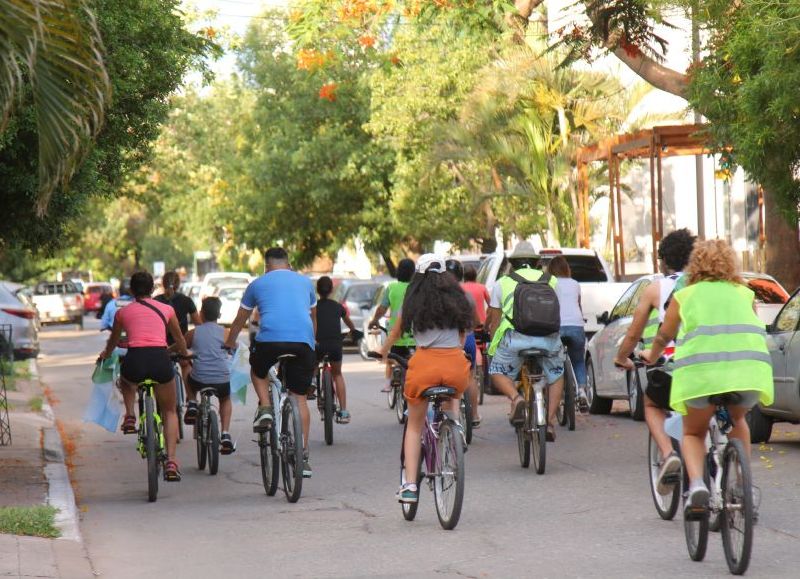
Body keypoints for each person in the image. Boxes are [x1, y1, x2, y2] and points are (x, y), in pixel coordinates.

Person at [641, 240, 773, 511]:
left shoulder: (686, 295)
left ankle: (698, 486)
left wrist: (651, 356)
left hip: (701, 376)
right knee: (737, 419)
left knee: (692, 432)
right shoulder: (744, 292)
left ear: (695, 265)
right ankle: (740, 485)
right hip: (747, 373)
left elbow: (665, 334)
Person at [381, 254, 473, 503]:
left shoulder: (413, 300)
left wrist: (383, 351)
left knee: (414, 425)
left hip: (424, 367)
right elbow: (463, 336)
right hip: (455, 366)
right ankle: (455, 429)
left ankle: (410, 486)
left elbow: (396, 332)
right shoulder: (459, 299)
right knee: (452, 393)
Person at [614, 228, 695, 493]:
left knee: (652, 404)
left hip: (669, 364)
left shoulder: (656, 288)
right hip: (706, 360)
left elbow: (634, 332)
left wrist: (621, 357)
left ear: (663, 260)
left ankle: (668, 452)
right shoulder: (702, 283)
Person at [225, 247, 317, 478]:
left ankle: (265, 406)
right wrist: (310, 341)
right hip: (303, 343)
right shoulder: (306, 282)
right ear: (289, 264)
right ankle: (303, 456)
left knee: (258, 372)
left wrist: (229, 343)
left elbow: (239, 319)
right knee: (301, 399)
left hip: (270, 342)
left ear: (266, 266)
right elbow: (312, 317)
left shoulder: (257, 284)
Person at [99, 271, 189, 482]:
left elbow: (113, 341)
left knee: (126, 381)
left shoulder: (123, 313)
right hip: (160, 359)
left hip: (136, 360)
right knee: (169, 410)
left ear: (131, 290)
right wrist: (184, 354)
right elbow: (180, 339)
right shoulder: (167, 309)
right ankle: (172, 461)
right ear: (152, 289)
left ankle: (130, 415)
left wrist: (105, 354)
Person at [485, 241, 564, 442]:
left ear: (513, 263)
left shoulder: (502, 283)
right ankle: (550, 420)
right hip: (548, 340)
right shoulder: (552, 280)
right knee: (557, 375)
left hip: (515, 340)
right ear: (536, 263)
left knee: (497, 372)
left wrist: (493, 346)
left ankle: (516, 398)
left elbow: (494, 321)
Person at [183, 297, 235, 454]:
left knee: (185, 366)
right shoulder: (226, 333)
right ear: (219, 315)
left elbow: (180, 348)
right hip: (222, 380)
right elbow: (235, 349)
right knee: (225, 399)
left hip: (199, 379)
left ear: (201, 314)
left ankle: (192, 401)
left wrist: (169, 351)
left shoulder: (193, 333)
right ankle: (225, 434)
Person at [369, 258, 416, 393]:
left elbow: (382, 309)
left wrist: (374, 320)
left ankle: (388, 383)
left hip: (396, 336)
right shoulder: (415, 288)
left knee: (391, 359)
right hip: (415, 337)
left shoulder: (391, 288)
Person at [315, 276, 357, 424]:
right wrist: (353, 331)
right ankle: (344, 411)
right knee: (337, 373)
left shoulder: (313, 307)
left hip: (318, 345)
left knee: (313, 364)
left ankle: (312, 386)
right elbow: (349, 323)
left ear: (317, 290)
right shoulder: (338, 307)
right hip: (334, 345)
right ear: (331, 290)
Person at [548, 256, 589, 409]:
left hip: (557, 326)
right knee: (578, 360)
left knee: (553, 361)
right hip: (576, 325)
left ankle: (555, 395)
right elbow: (578, 304)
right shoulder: (575, 284)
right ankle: (582, 390)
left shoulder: (550, 283)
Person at [155, 270, 201, 401]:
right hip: (181, 344)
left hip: (162, 345)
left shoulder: (156, 301)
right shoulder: (186, 301)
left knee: (162, 371)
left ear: (163, 284)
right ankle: (191, 400)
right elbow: (199, 325)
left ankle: (163, 401)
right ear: (178, 284)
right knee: (185, 365)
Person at [445, 259, 481, 427]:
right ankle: (473, 415)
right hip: (468, 339)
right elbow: (475, 320)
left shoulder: (438, 297)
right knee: (471, 377)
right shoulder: (466, 295)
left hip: (448, 343)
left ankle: (447, 414)